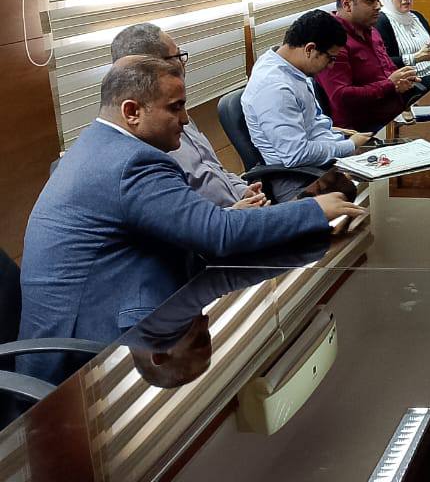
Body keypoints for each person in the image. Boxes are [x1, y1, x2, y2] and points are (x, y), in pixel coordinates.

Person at [19, 56, 362, 382]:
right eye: (175, 107)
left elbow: (200, 228)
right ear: (132, 112)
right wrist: (314, 210)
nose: (185, 119)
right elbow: (218, 236)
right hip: (84, 357)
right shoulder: (132, 163)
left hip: (113, 303)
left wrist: (221, 220)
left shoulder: (103, 145)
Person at [110, 23, 268, 209]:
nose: (183, 63)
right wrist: (234, 212)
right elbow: (178, 218)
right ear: (152, 66)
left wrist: (242, 190)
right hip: (219, 222)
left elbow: (213, 168)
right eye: (177, 57)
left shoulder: (178, 113)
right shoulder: (143, 149)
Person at [242, 9, 372, 200]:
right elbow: (296, 154)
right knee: (372, 196)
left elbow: (307, 122)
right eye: (331, 58)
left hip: (322, 163)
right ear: (310, 49)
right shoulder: (276, 88)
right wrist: (349, 145)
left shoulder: (289, 65)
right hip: (301, 180)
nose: (331, 66)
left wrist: (337, 133)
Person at [316, 0, 418, 132]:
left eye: (378, 0)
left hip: (395, 119)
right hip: (364, 132)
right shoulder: (333, 40)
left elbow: (388, 72)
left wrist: (403, 78)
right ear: (347, 4)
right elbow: (341, 96)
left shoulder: (372, 31)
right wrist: (390, 84)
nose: (378, 6)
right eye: (370, 1)